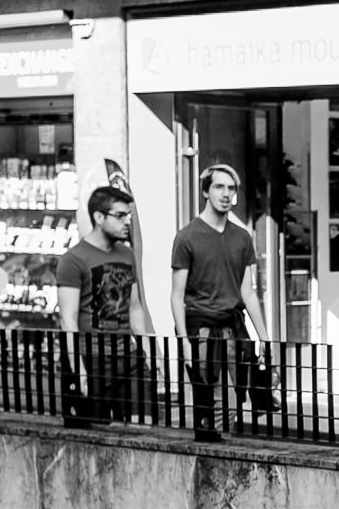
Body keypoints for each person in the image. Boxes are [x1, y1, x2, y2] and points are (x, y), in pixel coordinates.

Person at [170, 164, 269, 421]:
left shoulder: (242, 238)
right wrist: (184, 344)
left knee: (235, 405)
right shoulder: (187, 237)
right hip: (201, 330)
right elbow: (176, 296)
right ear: (206, 191)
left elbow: (248, 293)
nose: (226, 194)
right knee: (212, 405)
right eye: (219, 187)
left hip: (233, 329)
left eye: (231, 188)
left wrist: (265, 339)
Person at [56, 186, 150, 421]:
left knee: (143, 425)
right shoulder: (73, 259)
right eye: (119, 216)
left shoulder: (127, 254)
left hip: (128, 357)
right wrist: (79, 368)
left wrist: (147, 354)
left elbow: (135, 306)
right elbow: (68, 318)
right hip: (94, 358)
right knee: (96, 431)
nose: (126, 221)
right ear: (99, 217)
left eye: (128, 215)